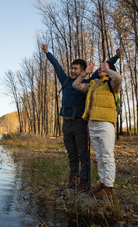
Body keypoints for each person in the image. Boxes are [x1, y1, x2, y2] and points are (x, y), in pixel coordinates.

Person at [42, 44, 121, 193]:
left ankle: (84, 183)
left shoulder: (89, 81)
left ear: (82, 70)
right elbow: (57, 65)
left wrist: (115, 57)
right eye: (71, 68)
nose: (72, 71)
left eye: (75, 69)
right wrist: (47, 53)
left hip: (80, 123)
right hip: (66, 123)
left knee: (83, 155)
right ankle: (74, 180)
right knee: (72, 155)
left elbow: (104, 69)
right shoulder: (65, 81)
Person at [72, 60, 122, 199]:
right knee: (99, 157)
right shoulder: (93, 84)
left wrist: (108, 70)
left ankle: (109, 188)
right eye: (100, 67)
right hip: (92, 124)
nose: (100, 68)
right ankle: (102, 183)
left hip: (106, 123)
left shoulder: (112, 84)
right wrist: (85, 73)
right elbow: (75, 84)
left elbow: (118, 77)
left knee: (107, 156)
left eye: (103, 67)